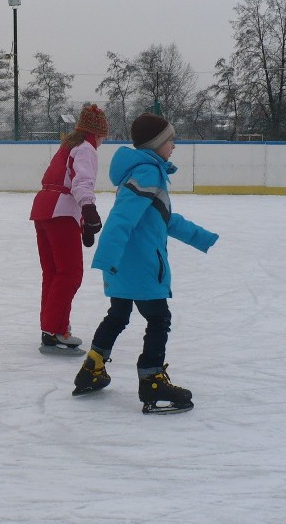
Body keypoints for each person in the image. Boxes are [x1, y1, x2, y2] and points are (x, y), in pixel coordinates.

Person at [72, 112, 219, 414]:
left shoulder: (143, 172)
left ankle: (92, 368)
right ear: (156, 145)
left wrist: (200, 237)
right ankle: (152, 380)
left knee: (118, 314)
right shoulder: (148, 173)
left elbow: (164, 218)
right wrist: (106, 256)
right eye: (170, 141)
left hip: (127, 264)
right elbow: (122, 217)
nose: (174, 146)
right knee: (158, 318)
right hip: (140, 265)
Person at [30, 104, 108, 356]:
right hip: (61, 212)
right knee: (70, 273)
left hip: (43, 210)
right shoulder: (86, 149)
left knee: (53, 272)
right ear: (97, 134)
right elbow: (81, 182)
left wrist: (83, 225)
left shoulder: (67, 146)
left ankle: (50, 329)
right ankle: (55, 331)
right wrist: (89, 209)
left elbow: (64, 180)